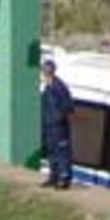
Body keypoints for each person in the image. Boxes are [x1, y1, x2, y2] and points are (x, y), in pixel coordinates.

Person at [40, 59, 74, 190]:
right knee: (52, 152)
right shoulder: (47, 87)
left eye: (47, 70)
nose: (45, 72)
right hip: (48, 125)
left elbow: (68, 106)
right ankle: (53, 177)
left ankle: (64, 178)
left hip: (58, 127)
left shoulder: (60, 87)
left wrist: (58, 118)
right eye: (44, 70)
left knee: (62, 153)